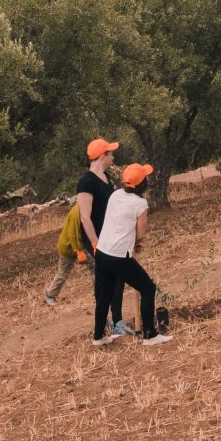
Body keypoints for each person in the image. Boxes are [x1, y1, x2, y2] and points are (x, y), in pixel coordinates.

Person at [93, 163, 173, 347]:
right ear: (143, 184)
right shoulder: (140, 204)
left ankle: (98, 337)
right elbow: (141, 234)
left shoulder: (115, 195)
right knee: (148, 288)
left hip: (102, 252)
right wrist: (135, 242)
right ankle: (150, 335)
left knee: (105, 295)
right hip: (119, 256)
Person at [65, 138, 131, 335]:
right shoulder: (86, 182)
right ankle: (110, 323)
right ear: (103, 156)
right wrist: (95, 243)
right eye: (110, 154)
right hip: (96, 239)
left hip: (110, 236)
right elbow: (85, 217)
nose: (113, 157)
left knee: (116, 277)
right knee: (109, 278)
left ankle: (114, 321)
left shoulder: (105, 177)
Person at [43, 200, 87, 304]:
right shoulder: (77, 212)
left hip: (79, 246)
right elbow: (72, 235)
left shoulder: (85, 209)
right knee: (63, 273)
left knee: (95, 266)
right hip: (68, 247)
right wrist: (78, 251)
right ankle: (50, 295)